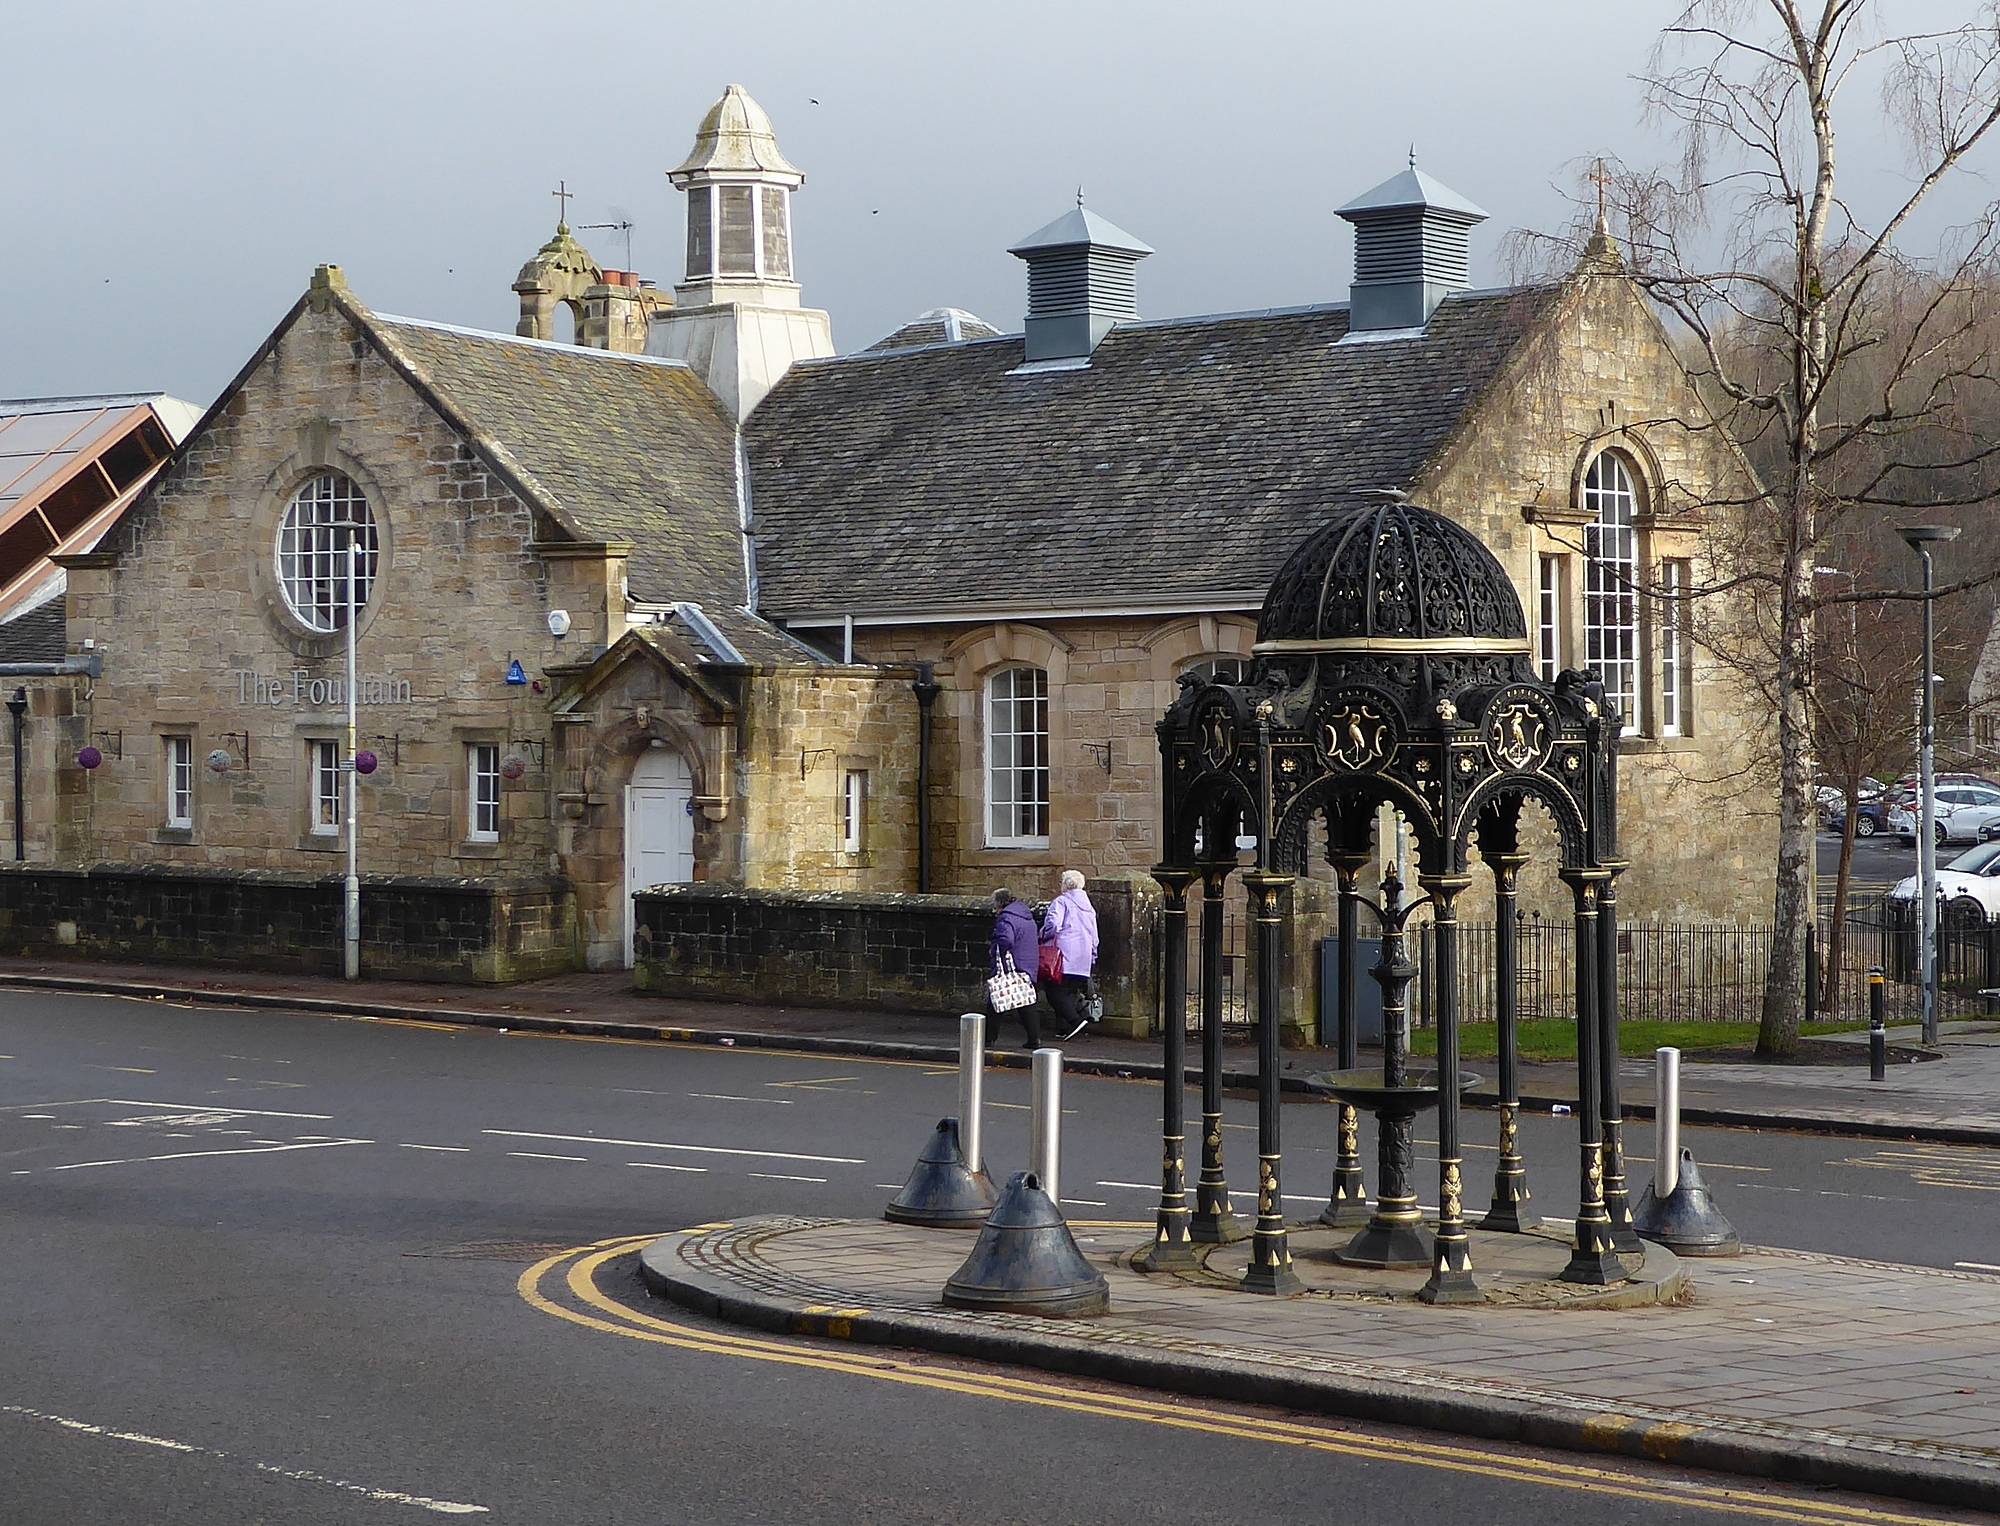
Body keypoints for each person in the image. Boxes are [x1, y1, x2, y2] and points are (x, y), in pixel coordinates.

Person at [1038, 869, 1100, 1042]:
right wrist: (1092, 956)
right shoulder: (1089, 907)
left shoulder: (1061, 902)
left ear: (1066, 884)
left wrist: (1042, 935)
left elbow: (1053, 925)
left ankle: (1075, 1021)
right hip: (1083, 958)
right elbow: (1094, 937)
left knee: (1054, 992)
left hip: (1063, 957)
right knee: (1069, 992)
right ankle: (1062, 1029)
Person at [988, 887, 1042, 1049]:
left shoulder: (1006, 918)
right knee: (1026, 1002)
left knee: (997, 998)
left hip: (1012, 965)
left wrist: (993, 949)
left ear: (1000, 904)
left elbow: (1006, 940)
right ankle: (1034, 1039)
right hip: (1028, 963)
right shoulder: (1026, 916)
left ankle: (988, 1039)